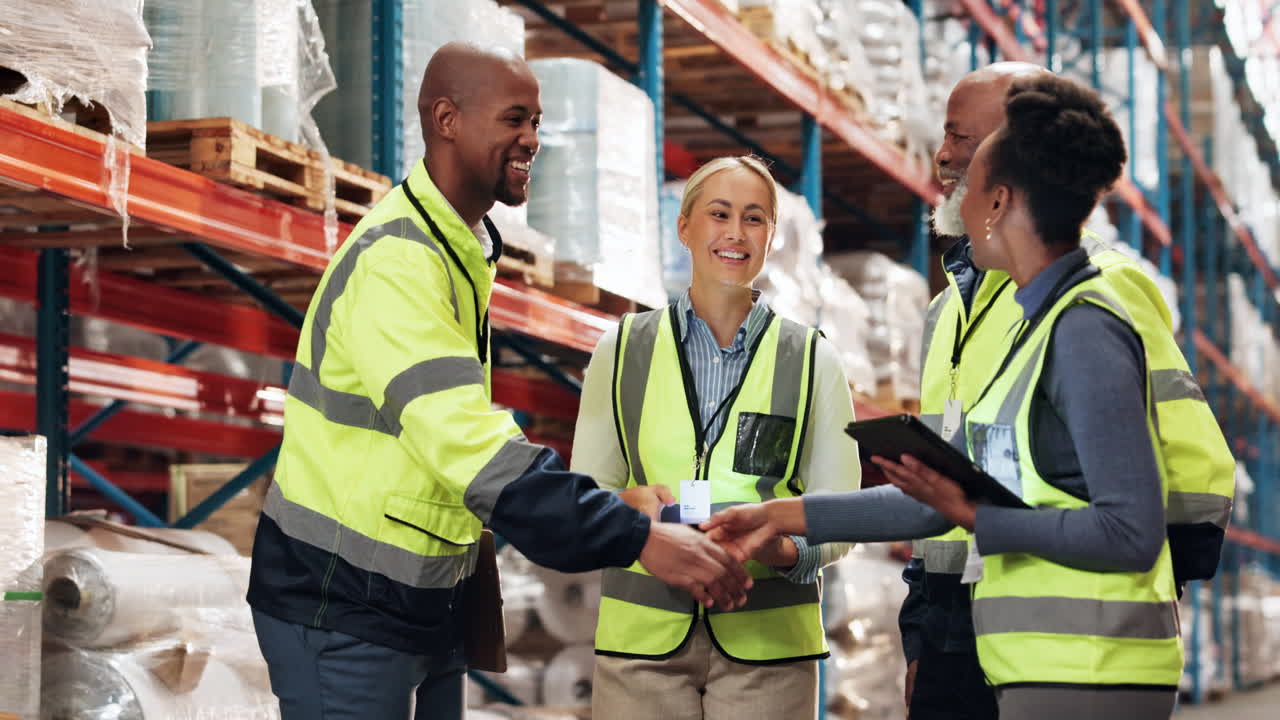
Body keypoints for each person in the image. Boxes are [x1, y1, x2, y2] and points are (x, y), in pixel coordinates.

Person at [246, 43, 751, 720]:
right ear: (448, 120)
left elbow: (440, 459)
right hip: (342, 606)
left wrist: (621, 510)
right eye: (516, 119)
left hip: (415, 602)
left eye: (538, 122)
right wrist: (636, 538)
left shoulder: (459, 248)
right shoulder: (398, 262)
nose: (533, 140)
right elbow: (474, 450)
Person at [707, 75, 1192, 720]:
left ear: (997, 201)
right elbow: (939, 498)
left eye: (967, 164)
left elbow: (1130, 531)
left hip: (1091, 668)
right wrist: (780, 516)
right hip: (1030, 660)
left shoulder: (1083, 326)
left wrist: (973, 515)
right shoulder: (1023, 324)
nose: (951, 196)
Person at [569, 156, 861, 720]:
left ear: (772, 237)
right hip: (641, 650)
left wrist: (778, 547)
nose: (734, 233)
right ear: (684, 227)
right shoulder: (622, 349)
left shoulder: (812, 360)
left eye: (754, 219)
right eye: (718, 214)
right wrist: (632, 509)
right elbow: (583, 498)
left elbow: (840, 517)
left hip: (769, 652)